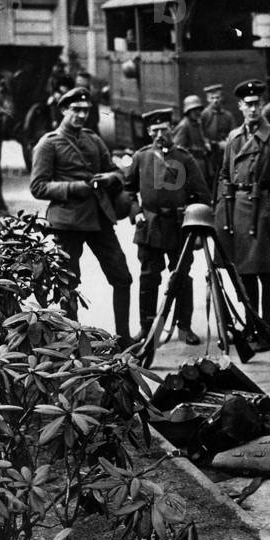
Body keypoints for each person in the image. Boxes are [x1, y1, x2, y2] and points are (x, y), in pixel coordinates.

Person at [30, 87, 134, 346]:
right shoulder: (49, 143)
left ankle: (124, 337)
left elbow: (116, 172)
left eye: (86, 111)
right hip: (67, 222)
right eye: (76, 110)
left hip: (99, 219)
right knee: (68, 283)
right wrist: (75, 187)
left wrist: (111, 177)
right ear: (64, 110)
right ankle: (73, 341)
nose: (81, 115)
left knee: (122, 276)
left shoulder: (93, 139)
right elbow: (38, 186)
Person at [214, 79, 270, 351]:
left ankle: (267, 330)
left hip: (260, 210)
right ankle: (252, 326)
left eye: (256, 104)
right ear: (240, 107)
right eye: (247, 105)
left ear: (261, 105)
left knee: (266, 273)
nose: (252, 109)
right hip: (235, 210)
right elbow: (224, 174)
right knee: (244, 274)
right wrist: (221, 209)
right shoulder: (233, 137)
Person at [125, 108, 210, 344]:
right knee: (149, 277)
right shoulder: (141, 157)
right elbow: (127, 189)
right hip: (150, 225)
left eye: (164, 129)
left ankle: (185, 327)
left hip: (178, 226)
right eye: (155, 130)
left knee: (182, 275)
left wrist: (192, 219)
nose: (160, 134)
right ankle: (147, 328)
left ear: (171, 129)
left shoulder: (184, 158)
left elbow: (202, 194)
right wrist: (136, 212)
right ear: (149, 132)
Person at [172, 94, 211, 186]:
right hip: (191, 165)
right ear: (188, 111)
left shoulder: (197, 124)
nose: (197, 112)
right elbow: (177, 150)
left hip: (202, 163)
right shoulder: (184, 126)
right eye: (194, 110)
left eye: (199, 110)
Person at [200, 83, 235, 186]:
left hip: (224, 150)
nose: (215, 100)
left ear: (221, 98)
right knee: (210, 176)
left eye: (217, 97)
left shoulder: (228, 115)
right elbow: (200, 132)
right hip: (209, 152)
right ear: (208, 99)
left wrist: (227, 143)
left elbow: (233, 132)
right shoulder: (204, 115)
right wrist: (206, 143)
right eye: (212, 98)